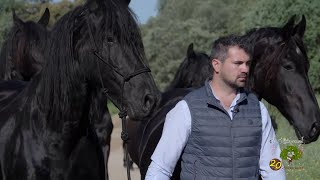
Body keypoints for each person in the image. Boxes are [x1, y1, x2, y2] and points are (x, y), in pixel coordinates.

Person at [145, 35, 286, 180]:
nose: (245, 69)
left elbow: (273, 165)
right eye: (238, 63)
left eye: (247, 63)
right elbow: (160, 169)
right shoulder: (186, 109)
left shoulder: (258, 109)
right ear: (216, 65)